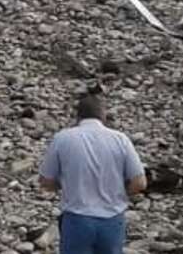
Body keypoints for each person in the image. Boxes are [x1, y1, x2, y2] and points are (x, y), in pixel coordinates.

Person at [38, 91, 147, 254]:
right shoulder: (120, 139)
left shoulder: (63, 138)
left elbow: (46, 181)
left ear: (78, 116)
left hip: (76, 220)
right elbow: (140, 183)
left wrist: (66, 185)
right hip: (112, 220)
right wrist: (120, 194)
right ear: (103, 116)